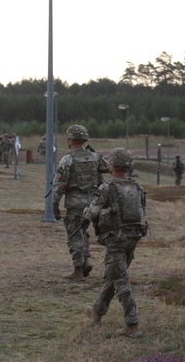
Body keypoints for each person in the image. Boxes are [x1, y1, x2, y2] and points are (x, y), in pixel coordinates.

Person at [85, 148, 148, 337]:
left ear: (111, 166)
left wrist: (85, 212)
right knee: (114, 275)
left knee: (120, 280)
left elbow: (93, 212)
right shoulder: (136, 186)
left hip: (116, 239)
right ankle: (97, 312)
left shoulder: (107, 188)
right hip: (133, 237)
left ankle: (132, 324)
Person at [52, 124, 109, 280]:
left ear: (70, 139)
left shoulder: (68, 159)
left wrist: (55, 205)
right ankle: (86, 261)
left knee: (75, 235)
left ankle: (78, 270)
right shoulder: (95, 157)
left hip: (75, 205)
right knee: (83, 233)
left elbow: (59, 186)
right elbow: (108, 167)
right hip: (94, 204)